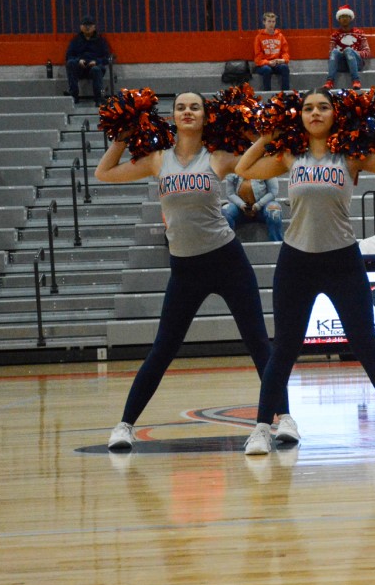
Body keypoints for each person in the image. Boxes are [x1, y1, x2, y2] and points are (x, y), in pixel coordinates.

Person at [236, 88, 375, 455]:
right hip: (296, 261)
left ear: (336, 115)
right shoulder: (290, 156)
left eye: (323, 107)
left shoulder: (351, 156)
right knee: (284, 350)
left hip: (342, 261)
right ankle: (261, 429)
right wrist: (268, 136)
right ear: (300, 116)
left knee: (366, 346)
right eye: (308, 108)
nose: (315, 113)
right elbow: (243, 168)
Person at [95, 92, 276, 450]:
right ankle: (125, 425)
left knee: (258, 342)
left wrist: (257, 136)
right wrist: (121, 138)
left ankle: (281, 419)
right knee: (163, 349)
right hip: (184, 268)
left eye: (195, 107)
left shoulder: (218, 157)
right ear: (173, 116)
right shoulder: (157, 160)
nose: (187, 111)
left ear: (207, 116)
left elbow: (269, 165)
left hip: (227, 261)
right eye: (181, 107)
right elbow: (104, 172)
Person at [65, 15, 112, 106]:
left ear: (94, 27)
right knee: (71, 63)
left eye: (90, 25)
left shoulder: (101, 41)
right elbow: (68, 56)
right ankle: (73, 96)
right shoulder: (75, 40)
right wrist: (78, 60)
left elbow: (107, 57)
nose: (87, 28)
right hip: (80, 68)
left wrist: (96, 62)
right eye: (85, 25)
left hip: (95, 67)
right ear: (80, 27)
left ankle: (99, 99)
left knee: (96, 70)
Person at [222, 173, 283, 242]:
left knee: (274, 211)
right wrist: (241, 204)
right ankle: (228, 245)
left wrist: (258, 205)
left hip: (262, 207)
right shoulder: (232, 170)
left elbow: (273, 192)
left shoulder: (267, 169)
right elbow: (230, 194)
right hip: (240, 208)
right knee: (225, 212)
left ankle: (276, 244)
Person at [324, 6, 371, 91]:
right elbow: (331, 54)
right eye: (342, 17)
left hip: (357, 63)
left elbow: (367, 52)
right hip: (341, 65)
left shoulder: (359, 33)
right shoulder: (335, 35)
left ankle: (356, 80)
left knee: (348, 50)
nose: (344, 19)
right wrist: (343, 54)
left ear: (350, 18)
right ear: (339, 20)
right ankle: (329, 81)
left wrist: (352, 53)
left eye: (346, 16)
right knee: (334, 52)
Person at [252, 12, 291, 92]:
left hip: (276, 63)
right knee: (267, 70)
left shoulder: (280, 36)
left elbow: (285, 52)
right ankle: (267, 93)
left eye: (273, 21)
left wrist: (283, 60)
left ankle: (285, 93)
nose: (271, 24)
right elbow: (258, 58)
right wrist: (268, 62)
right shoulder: (259, 37)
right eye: (269, 21)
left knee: (285, 67)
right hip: (263, 65)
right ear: (264, 22)